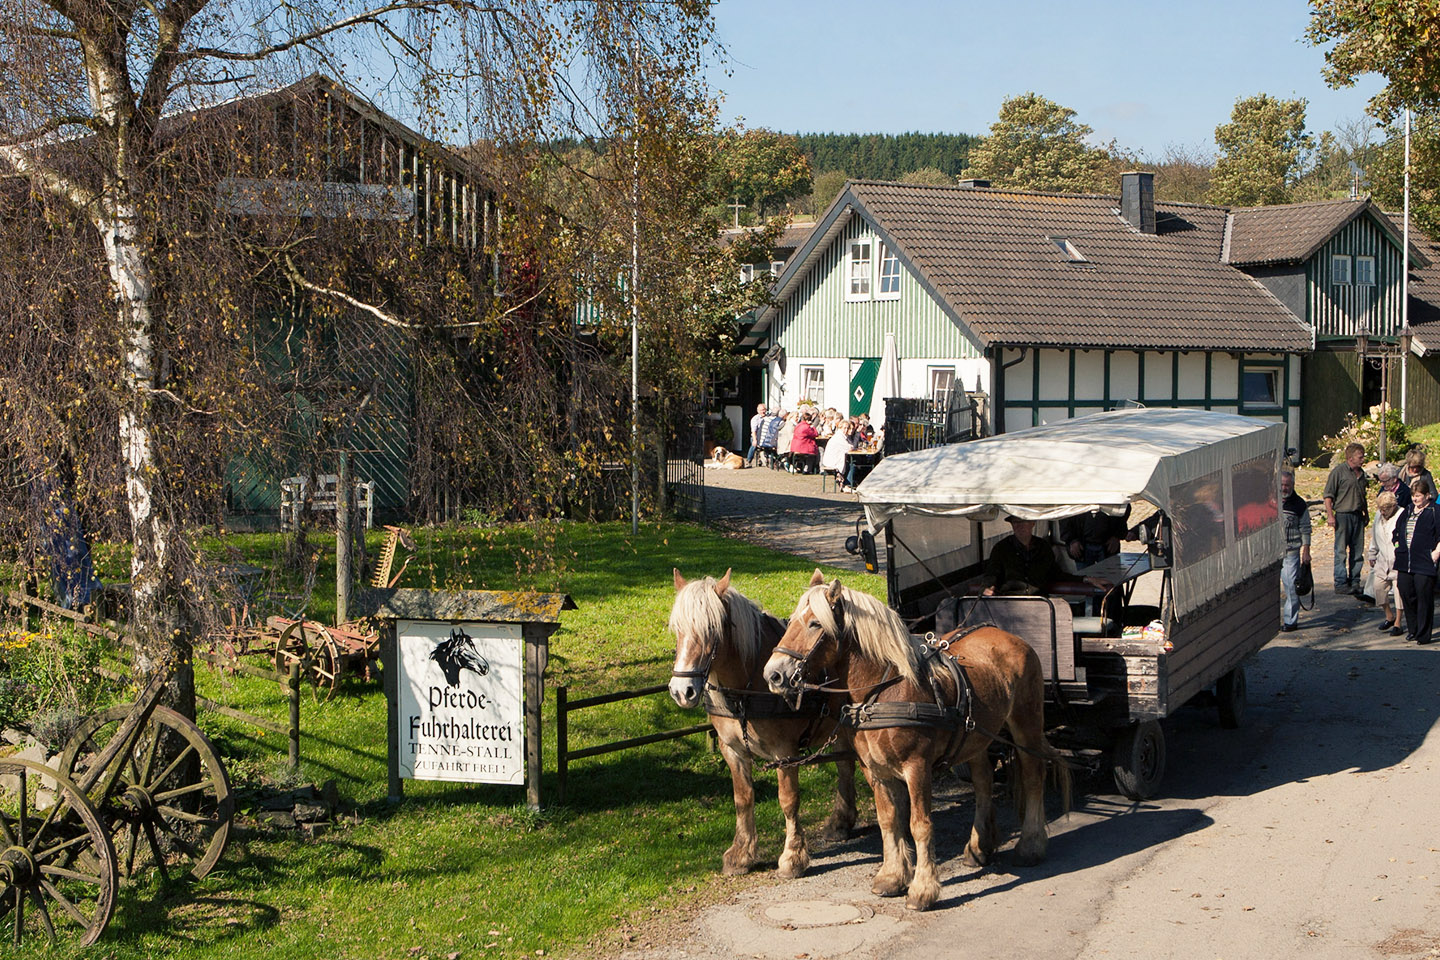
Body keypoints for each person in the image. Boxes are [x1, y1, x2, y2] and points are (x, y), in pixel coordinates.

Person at [982, 515, 1111, 597]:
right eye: (1016, 523)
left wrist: (1085, 579)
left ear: (1033, 523)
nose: (1019, 526)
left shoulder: (1042, 546)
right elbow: (992, 574)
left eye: (1023, 522)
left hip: (1040, 603)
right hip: (1010, 605)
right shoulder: (1001, 548)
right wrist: (987, 588)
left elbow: (1056, 574)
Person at [1393, 476, 1440, 645]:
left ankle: (1423, 633)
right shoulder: (1408, 510)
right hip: (1405, 560)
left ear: (1427, 495)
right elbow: (1397, 530)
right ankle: (1412, 629)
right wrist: (1397, 544)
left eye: (1418, 495)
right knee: (1406, 592)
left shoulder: (1435, 511)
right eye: (1413, 495)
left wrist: (1436, 552)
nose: (1415, 499)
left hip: (1425, 561)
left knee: (1424, 596)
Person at [1323, 441, 1369, 595]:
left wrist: (1366, 514)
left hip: (1358, 515)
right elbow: (1328, 496)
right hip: (1342, 515)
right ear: (1350, 458)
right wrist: (1330, 516)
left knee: (1357, 551)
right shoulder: (1339, 472)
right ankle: (1341, 582)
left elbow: (1363, 496)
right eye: (1360, 457)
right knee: (1341, 551)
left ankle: (1355, 581)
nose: (1362, 459)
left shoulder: (1362, 474)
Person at [1366, 489, 1404, 636]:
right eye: (1380, 509)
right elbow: (1374, 536)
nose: (1382, 512)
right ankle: (1389, 616)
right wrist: (1372, 553)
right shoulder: (1378, 516)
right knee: (1378, 588)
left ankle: (1398, 623)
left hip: (1398, 561)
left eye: (1385, 509)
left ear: (1393, 506)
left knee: (1399, 593)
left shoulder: (1401, 514)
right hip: (1382, 560)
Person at [1280, 469, 1312, 633]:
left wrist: (1306, 551)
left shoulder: (1299, 504)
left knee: (1291, 586)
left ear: (1293, 485)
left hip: (1291, 551)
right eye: (1282, 485)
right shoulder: (1271, 500)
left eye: (1287, 485)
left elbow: (1306, 529)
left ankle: (1290, 621)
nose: (1284, 488)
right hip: (1272, 552)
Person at [1059, 505, 1132, 566]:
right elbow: (1063, 512)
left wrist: (1117, 536)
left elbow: (1125, 506)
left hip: (1108, 546)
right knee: (1085, 580)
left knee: (1112, 580)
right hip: (1082, 547)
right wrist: (1071, 540)